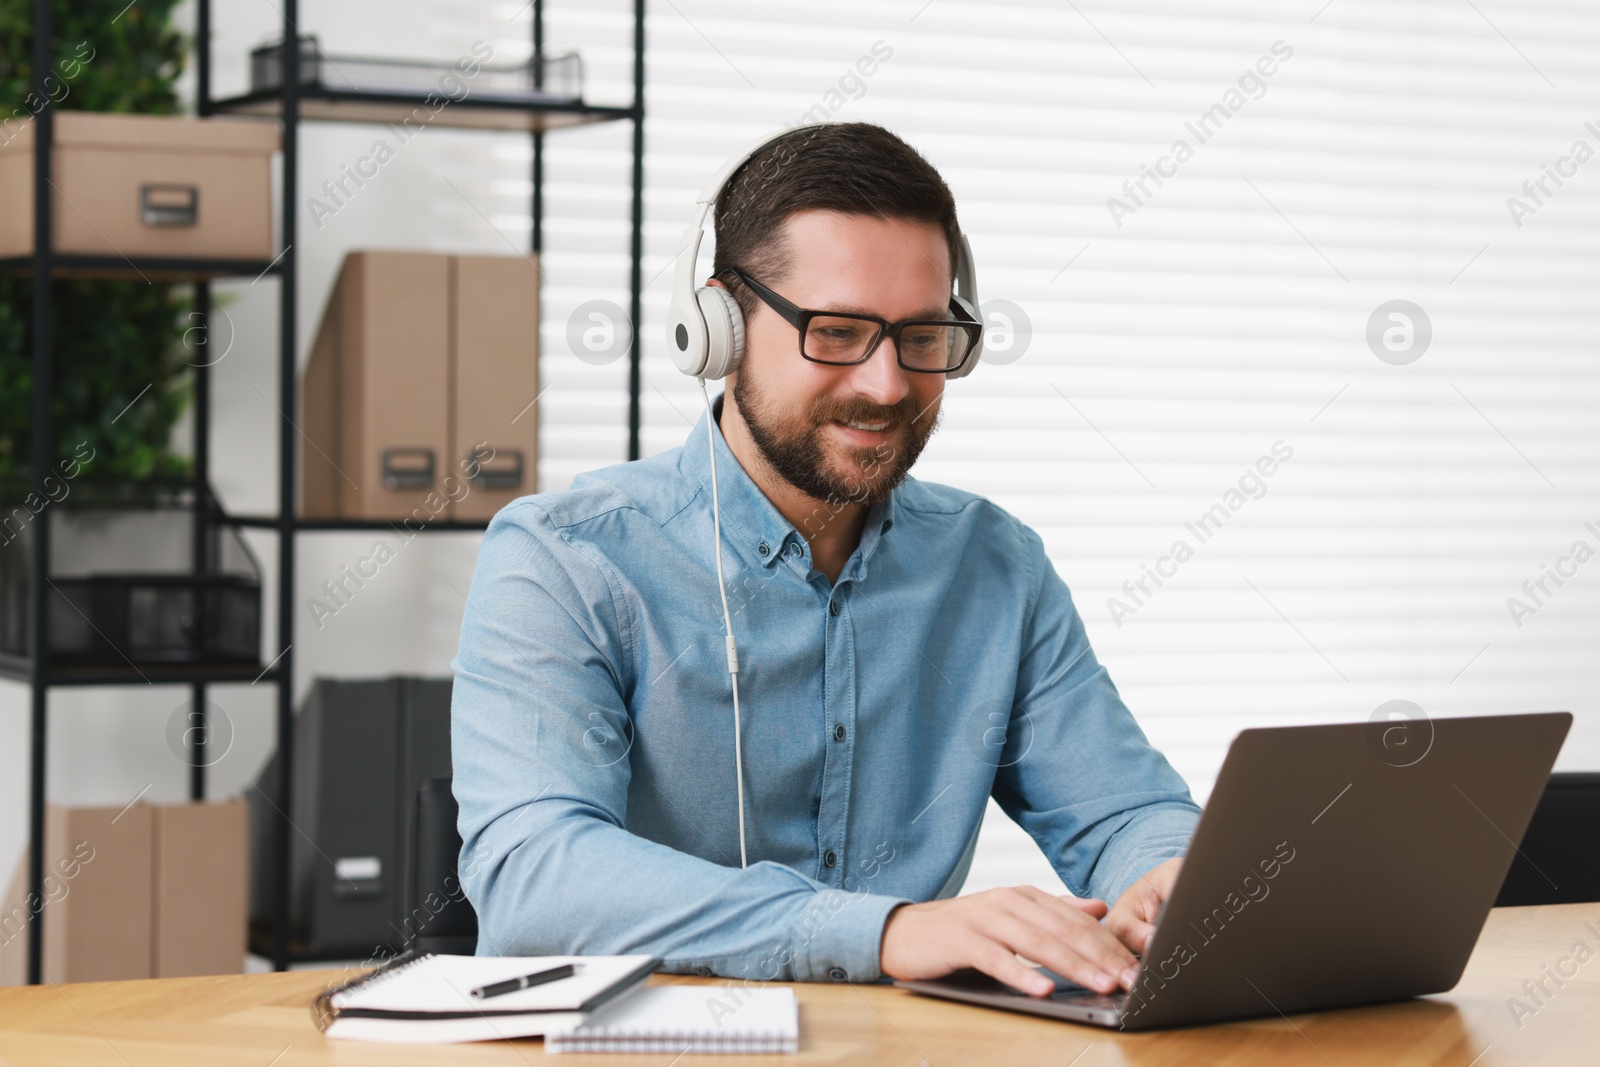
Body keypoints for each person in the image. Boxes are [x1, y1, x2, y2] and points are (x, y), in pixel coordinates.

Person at [451, 122, 1200, 998]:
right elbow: (536, 875)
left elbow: (1126, 811)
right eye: (838, 332)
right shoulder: (563, 559)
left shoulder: (995, 567)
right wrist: (880, 930)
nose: (886, 385)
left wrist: (1167, 874)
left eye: (922, 337)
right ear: (718, 326)